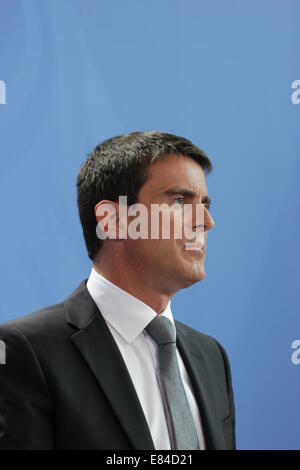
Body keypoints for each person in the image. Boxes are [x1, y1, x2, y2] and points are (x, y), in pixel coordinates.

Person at [0, 131, 236, 450]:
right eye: (180, 201)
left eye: (205, 204)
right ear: (111, 220)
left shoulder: (211, 356)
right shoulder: (26, 351)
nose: (206, 221)